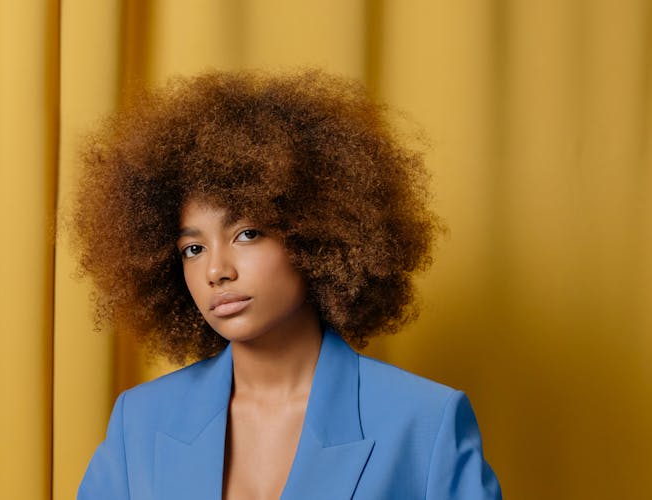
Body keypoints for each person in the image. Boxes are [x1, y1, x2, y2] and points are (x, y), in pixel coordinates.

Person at [72, 69, 501, 499]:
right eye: (193, 249)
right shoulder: (141, 421)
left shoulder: (425, 421)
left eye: (247, 234)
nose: (216, 271)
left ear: (316, 236)